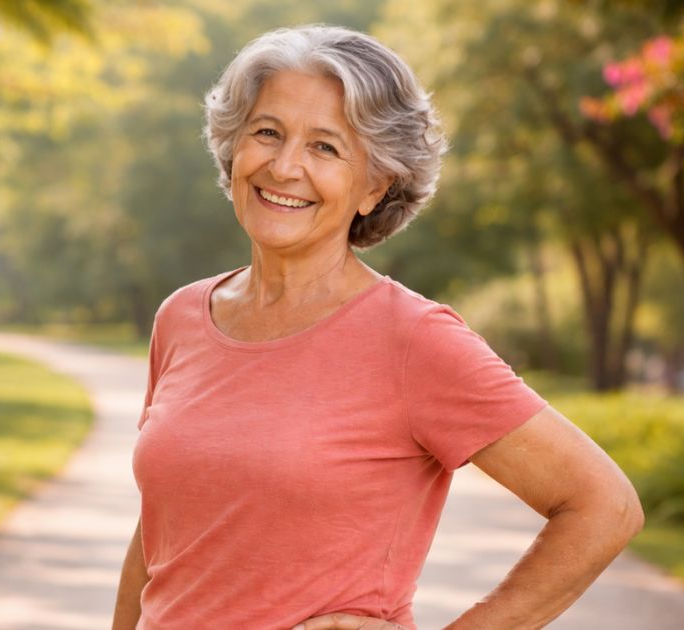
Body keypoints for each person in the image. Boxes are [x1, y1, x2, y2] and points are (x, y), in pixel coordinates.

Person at [112, 24, 643, 630]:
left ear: (374, 186)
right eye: (267, 133)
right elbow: (162, 531)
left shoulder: (415, 340)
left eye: (326, 148)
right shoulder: (181, 316)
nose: (285, 166)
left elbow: (606, 505)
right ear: (234, 147)